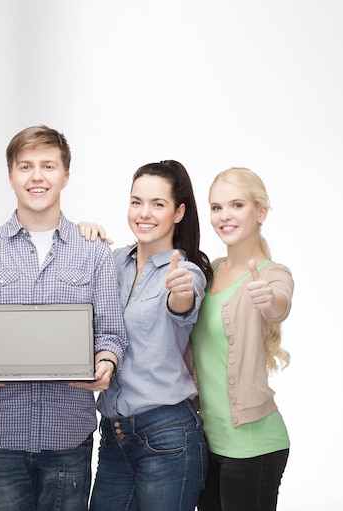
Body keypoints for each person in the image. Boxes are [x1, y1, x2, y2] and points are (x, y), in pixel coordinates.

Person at [0, 124, 128, 511]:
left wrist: (105, 362)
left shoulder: (93, 250)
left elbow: (112, 333)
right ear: (11, 176)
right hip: (1, 434)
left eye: (48, 166)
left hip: (69, 433)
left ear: (65, 175)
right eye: (26, 166)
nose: (37, 176)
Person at [82, 160, 211, 510]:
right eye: (136, 201)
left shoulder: (186, 272)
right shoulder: (112, 261)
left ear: (179, 212)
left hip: (168, 433)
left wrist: (181, 293)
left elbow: (183, 303)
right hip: (112, 435)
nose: (144, 213)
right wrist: (81, 233)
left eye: (158, 204)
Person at [190, 167, 293, 511]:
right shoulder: (212, 269)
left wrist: (271, 300)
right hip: (211, 442)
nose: (224, 216)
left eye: (236, 205)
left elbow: (279, 303)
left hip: (254, 446)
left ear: (260, 212)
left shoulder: (271, 274)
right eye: (217, 207)